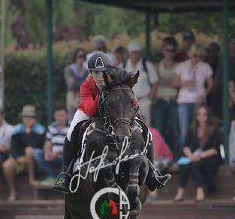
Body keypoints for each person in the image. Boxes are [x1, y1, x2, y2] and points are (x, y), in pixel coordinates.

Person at [53, 52, 170, 193]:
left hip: (116, 112)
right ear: (90, 73)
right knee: (71, 132)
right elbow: (91, 110)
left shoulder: (118, 80)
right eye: (96, 72)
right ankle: (66, 174)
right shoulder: (86, 86)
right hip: (88, 110)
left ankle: (152, 173)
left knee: (146, 131)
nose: (100, 76)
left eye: (103, 72)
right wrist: (103, 94)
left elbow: (134, 102)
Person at [174, 104, 222, 203]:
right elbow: (186, 146)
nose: (201, 116)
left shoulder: (214, 129)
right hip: (195, 156)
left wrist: (200, 155)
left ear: (208, 116)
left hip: (210, 156)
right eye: (199, 114)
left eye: (204, 114)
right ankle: (181, 191)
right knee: (184, 165)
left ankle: (200, 191)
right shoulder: (193, 129)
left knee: (195, 165)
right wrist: (191, 156)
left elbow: (215, 149)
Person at [173, 45, 213, 154]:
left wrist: (203, 95)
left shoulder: (205, 66)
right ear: (189, 55)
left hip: (198, 101)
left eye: (201, 56)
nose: (198, 58)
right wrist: (183, 83)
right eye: (195, 55)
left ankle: (198, 153)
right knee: (184, 130)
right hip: (184, 101)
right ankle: (182, 156)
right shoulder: (182, 66)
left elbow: (211, 84)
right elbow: (174, 82)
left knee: (199, 128)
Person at [2, 105, 45, 201]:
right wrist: (17, 158)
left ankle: (31, 179)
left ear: (34, 118)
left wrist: (29, 131)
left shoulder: (40, 129)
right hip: (20, 158)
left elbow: (36, 145)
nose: (27, 119)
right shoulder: (17, 129)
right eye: (25, 116)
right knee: (6, 166)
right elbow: (13, 148)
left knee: (28, 150)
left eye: (30, 117)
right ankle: (13, 192)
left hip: (34, 160)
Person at [152, 36, 179, 160]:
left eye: (172, 50)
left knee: (174, 130)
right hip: (160, 100)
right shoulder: (158, 65)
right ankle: (160, 155)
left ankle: (175, 157)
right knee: (160, 129)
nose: (169, 53)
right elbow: (157, 82)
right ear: (163, 51)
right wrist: (171, 81)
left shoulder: (178, 65)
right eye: (167, 50)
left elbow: (176, 83)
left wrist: (167, 81)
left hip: (173, 100)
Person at [32, 106, 69, 185]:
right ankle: (52, 176)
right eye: (58, 115)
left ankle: (63, 178)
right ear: (54, 116)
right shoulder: (51, 127)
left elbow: (73, 147)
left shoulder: (72, 127)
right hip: (53, 156)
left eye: (62, 115)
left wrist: (59, 152)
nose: (60, 118)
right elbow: (47, 143)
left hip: (66, 157)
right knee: (36, 153)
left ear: (66, 115)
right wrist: (48, 152)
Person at [124, 41, 158, 122]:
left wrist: (150, 99)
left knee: (145, 125)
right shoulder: (123, 65)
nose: (135, 55)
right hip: (128, 102)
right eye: (133, 52)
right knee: (129, 125)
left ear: (140, 53)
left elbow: (155, 83)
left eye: (137, 52)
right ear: (129, 53)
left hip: (144, 101)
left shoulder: (147, 65)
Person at [64, 47, 89, 120]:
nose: (82, 59)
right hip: (73, 96)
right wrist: (84, 83)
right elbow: (71, 85)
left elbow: (89, 85)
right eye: (80, 56)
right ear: (75, 57)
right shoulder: (69, 69)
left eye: (83, 56)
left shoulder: (86, 70)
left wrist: (76, 82)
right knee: (72, 117)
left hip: (83, 95)